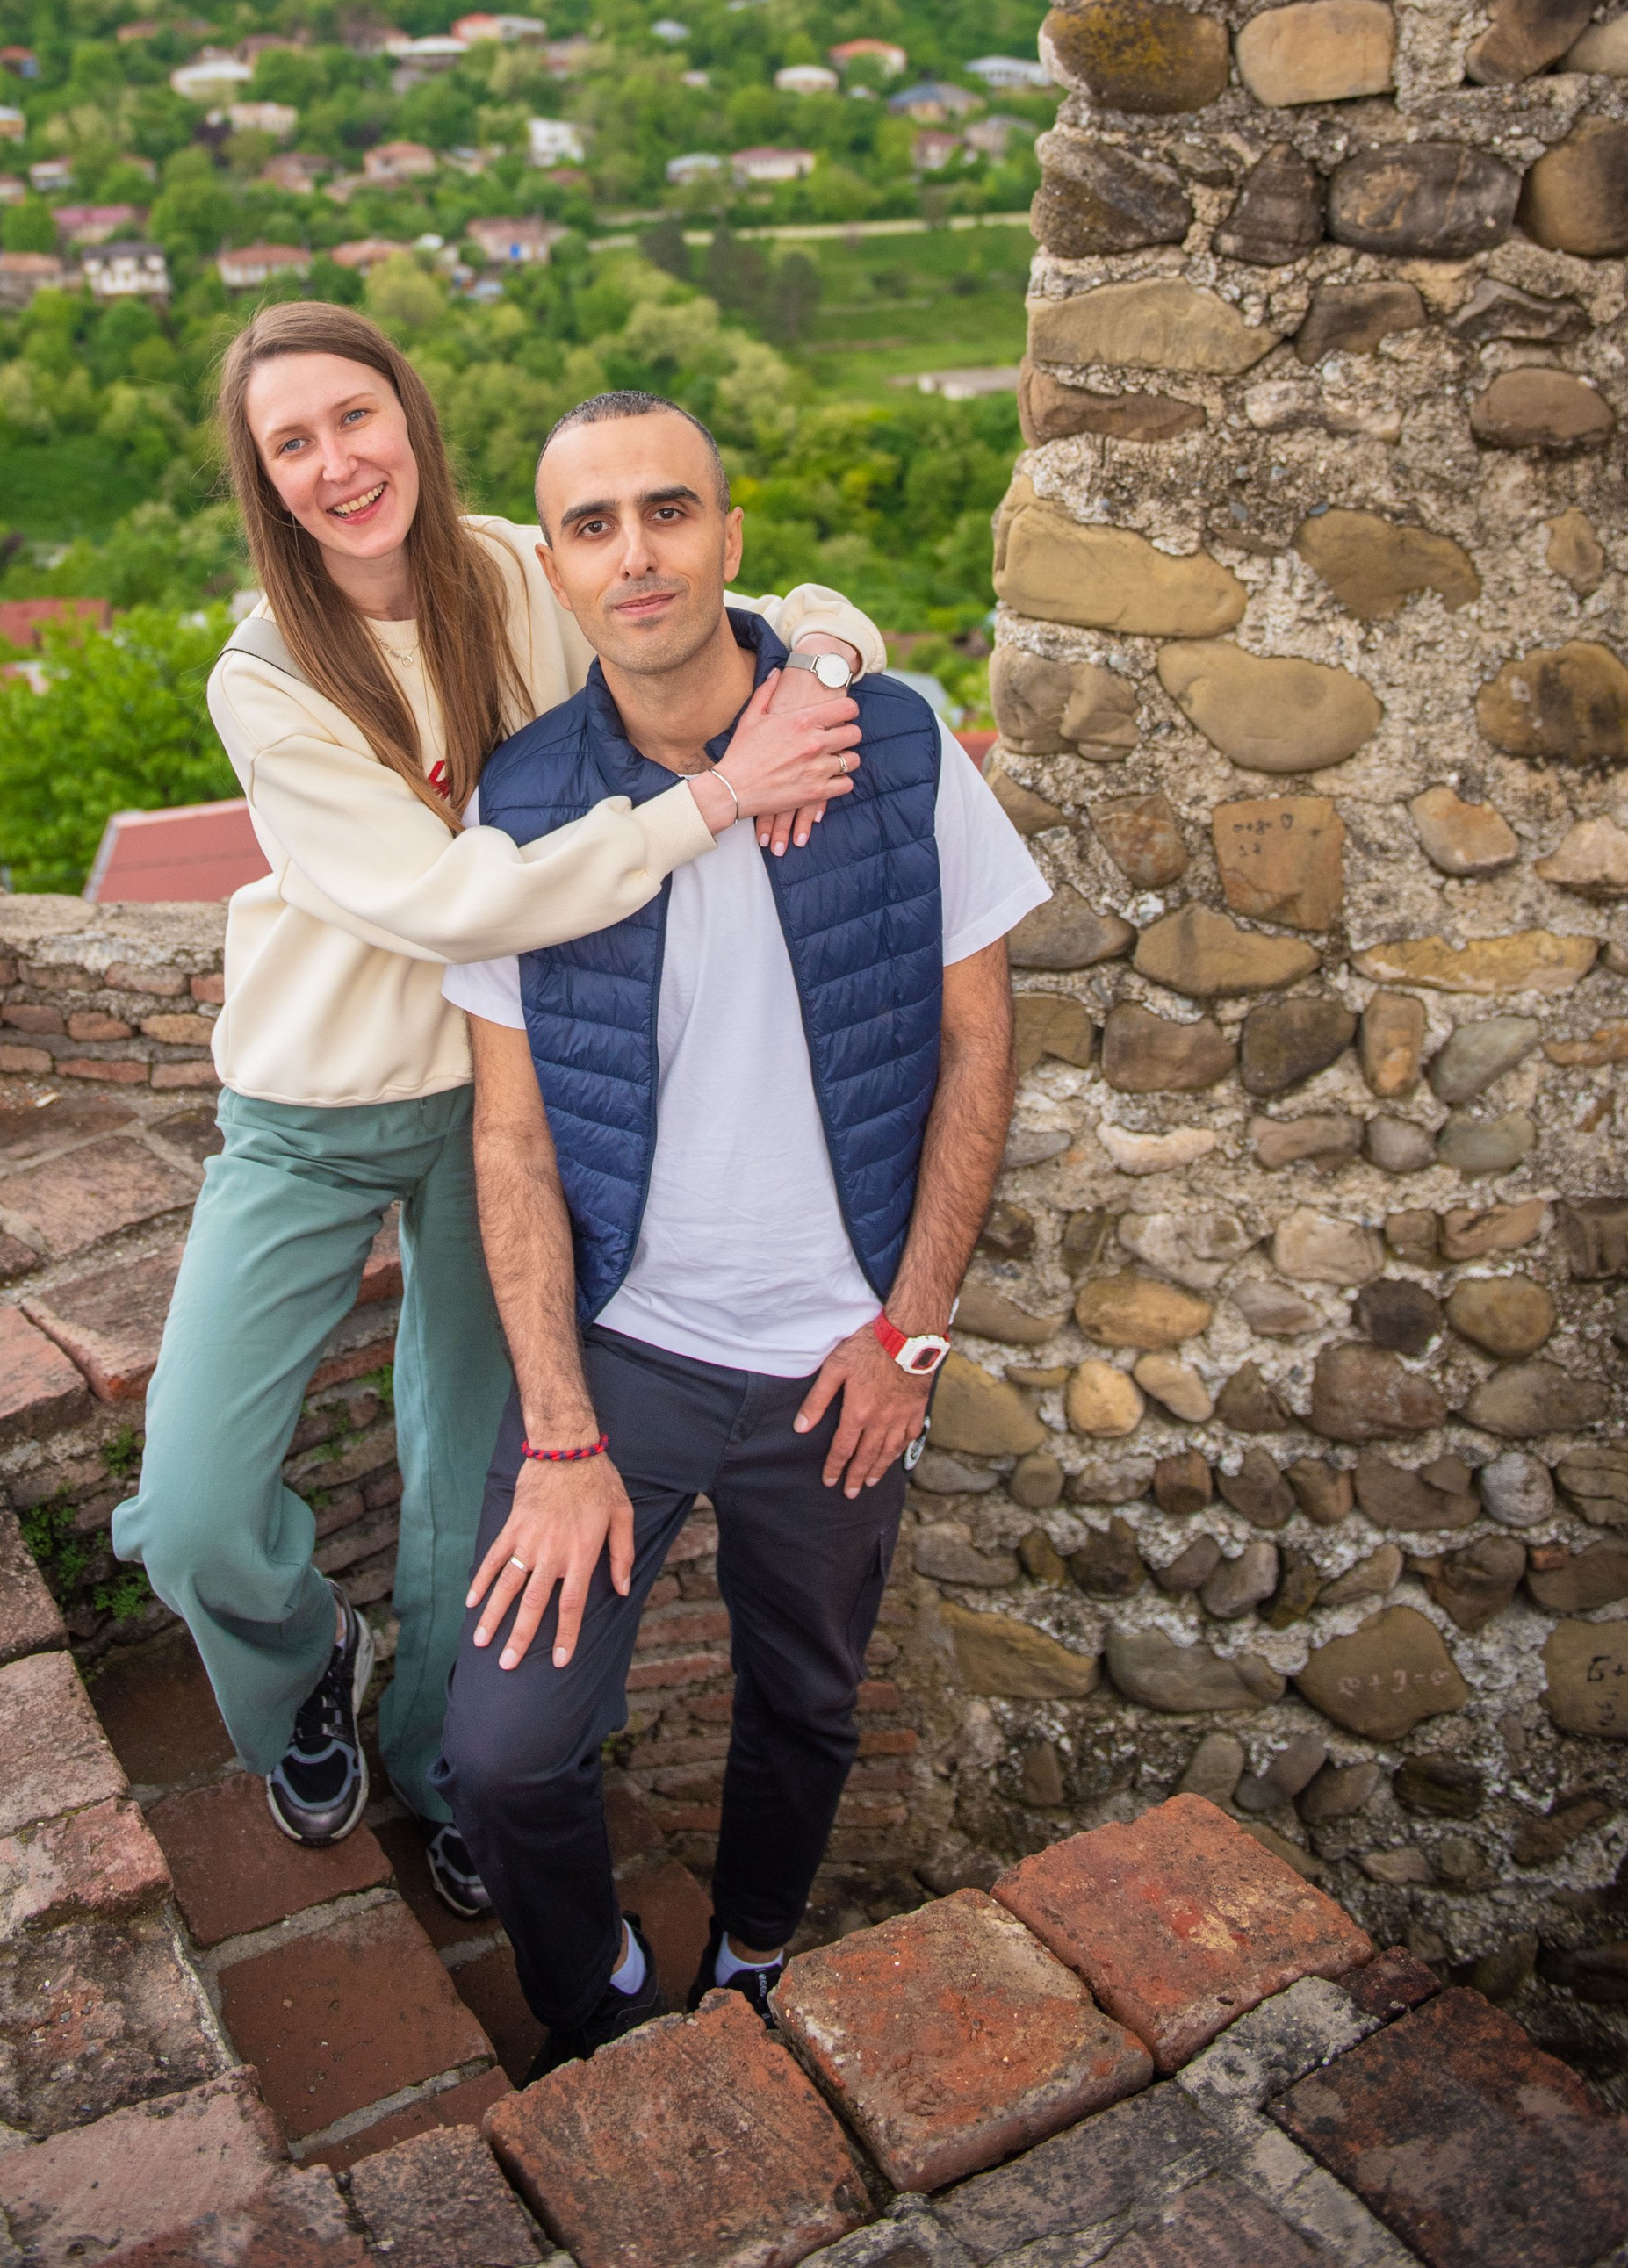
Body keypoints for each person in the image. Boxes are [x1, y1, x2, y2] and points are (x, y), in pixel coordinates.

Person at [111, 300, 885, 1922]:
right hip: (315, 1102)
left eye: (356, 417)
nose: (338, 463)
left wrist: (818, 671)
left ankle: (456, 1764)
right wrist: (714, 803)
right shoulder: (264, 675)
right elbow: (453, 901)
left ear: (411, 415)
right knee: (187, 1502)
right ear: (265, 481)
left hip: (500, 1098)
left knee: (483, 1466)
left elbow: (781, 604)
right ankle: (299, 1664)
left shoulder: (519, 568)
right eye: (292, 444)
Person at [434, 386, 1047, 2066]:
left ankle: (759, 1956)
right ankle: (597, 1997)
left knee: (810, 1702)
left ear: (729, 534)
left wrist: (912, 1329)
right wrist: (558, 1428)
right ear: (555, 571)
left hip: (838, 1359)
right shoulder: (526, 805)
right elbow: (510, 1134)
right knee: (501, 1748)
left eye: (668, 510)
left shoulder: (895, 739)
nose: (637, 554)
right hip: (624, 1359)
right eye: (592, 525)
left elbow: (982, 1043)